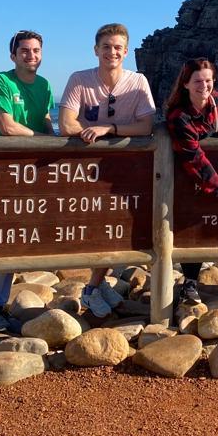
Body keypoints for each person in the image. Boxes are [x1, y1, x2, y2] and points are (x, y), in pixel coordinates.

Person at [58, 23, 156, 317]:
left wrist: (109, 128)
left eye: (117, 47)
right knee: (98, 226)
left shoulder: (138, 82)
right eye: (106, 47)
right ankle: (93, 288)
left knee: (119, 226)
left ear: (125, 51)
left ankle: (95, 286)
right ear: (96, 50)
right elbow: (66, 124)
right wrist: (91, 134)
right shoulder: (80, 79)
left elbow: (146, 125)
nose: (111, 52)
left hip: (125, 169)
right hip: (85, 169)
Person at [0, 30, 55, 333]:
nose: (30, 55)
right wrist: (48, 140)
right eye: (24, 51)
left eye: (36, 51)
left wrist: (57, 145)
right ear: (13, 56)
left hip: (30, 170)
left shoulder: (46, 85)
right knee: (1, 233)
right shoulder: (0, 81)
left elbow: (45, 119)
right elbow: (6, 127)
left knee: (16, 234)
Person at [165, 58, 218, 306]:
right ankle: (190, 283)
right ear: (185, 84)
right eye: (197, 81)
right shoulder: (179, 117)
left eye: (208, 80)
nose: (204, 86)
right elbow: (193, 158)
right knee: (191, 222)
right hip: (185, 177)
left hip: (212, 174)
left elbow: (217, 127)